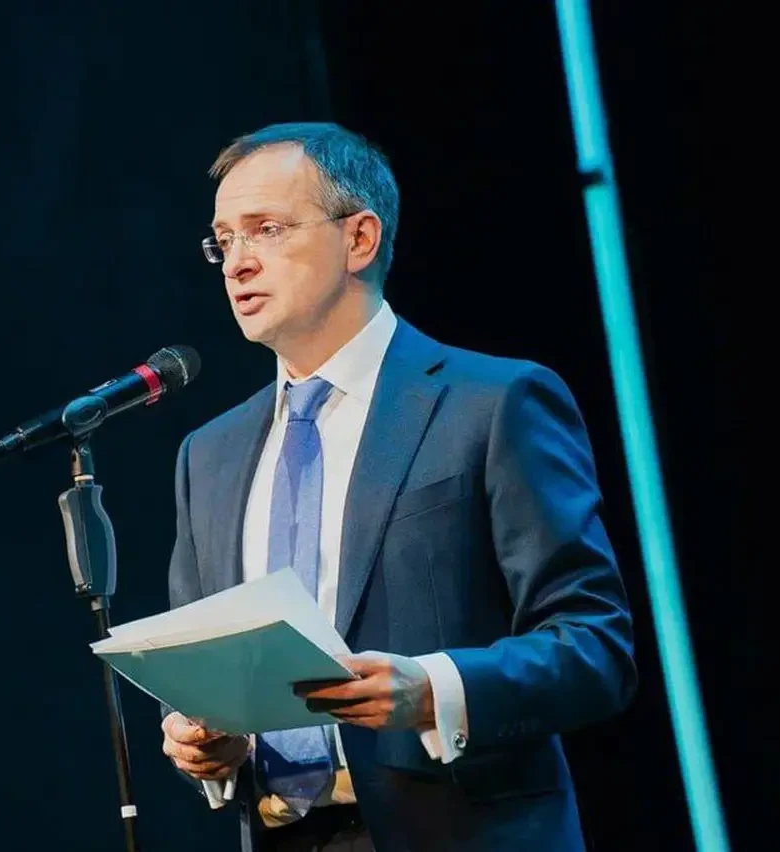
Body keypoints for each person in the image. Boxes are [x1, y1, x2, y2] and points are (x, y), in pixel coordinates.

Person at [160, 121, 637, 852]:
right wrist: (206, 745)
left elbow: (594, 646)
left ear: (360, 239)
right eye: (223, 241)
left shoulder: (491, 404)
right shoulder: (209, 455)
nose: (238, 262)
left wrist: (435, 691)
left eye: (267, 230)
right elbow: (206, 671)